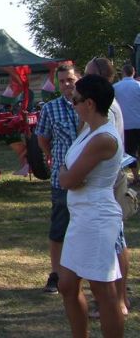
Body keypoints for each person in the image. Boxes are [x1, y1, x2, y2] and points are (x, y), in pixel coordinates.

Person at [58, 74, 124, 338]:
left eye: (76, 99)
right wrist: (66, 172)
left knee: (104, 292)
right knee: (66, 284)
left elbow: (69, 179)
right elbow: (70, 173)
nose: (72, 103)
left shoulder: (103, 138)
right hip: (81, 215)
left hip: (96, 217)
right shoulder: (88, 130)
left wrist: (64, 172)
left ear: (90, 103)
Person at [85, 57, 130, 318]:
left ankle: (116, 300)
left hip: (107, 181)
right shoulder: (107, 105)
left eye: (89, 76)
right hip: (106, 178)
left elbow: (104, 145)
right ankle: (112, 299)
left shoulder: (107, 109)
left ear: (100, 77)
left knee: (114, 241)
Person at [36, 63, 79, 294]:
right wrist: (52, 156)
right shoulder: (51, 109)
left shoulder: (89, 105)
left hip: (87, 179)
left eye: (70, 80)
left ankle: (92, 275)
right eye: (62, 81)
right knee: (59, 227)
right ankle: (56, 274)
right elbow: (42, 138)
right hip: (61, 179)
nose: (66, 85)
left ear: (78, 79)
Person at [113, 64, 140, 185]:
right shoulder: (138, 86)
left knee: (131, 151)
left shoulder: (115, 87)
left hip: (126, 124)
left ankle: (135, 177)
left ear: (123, 72)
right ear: (133, 72)